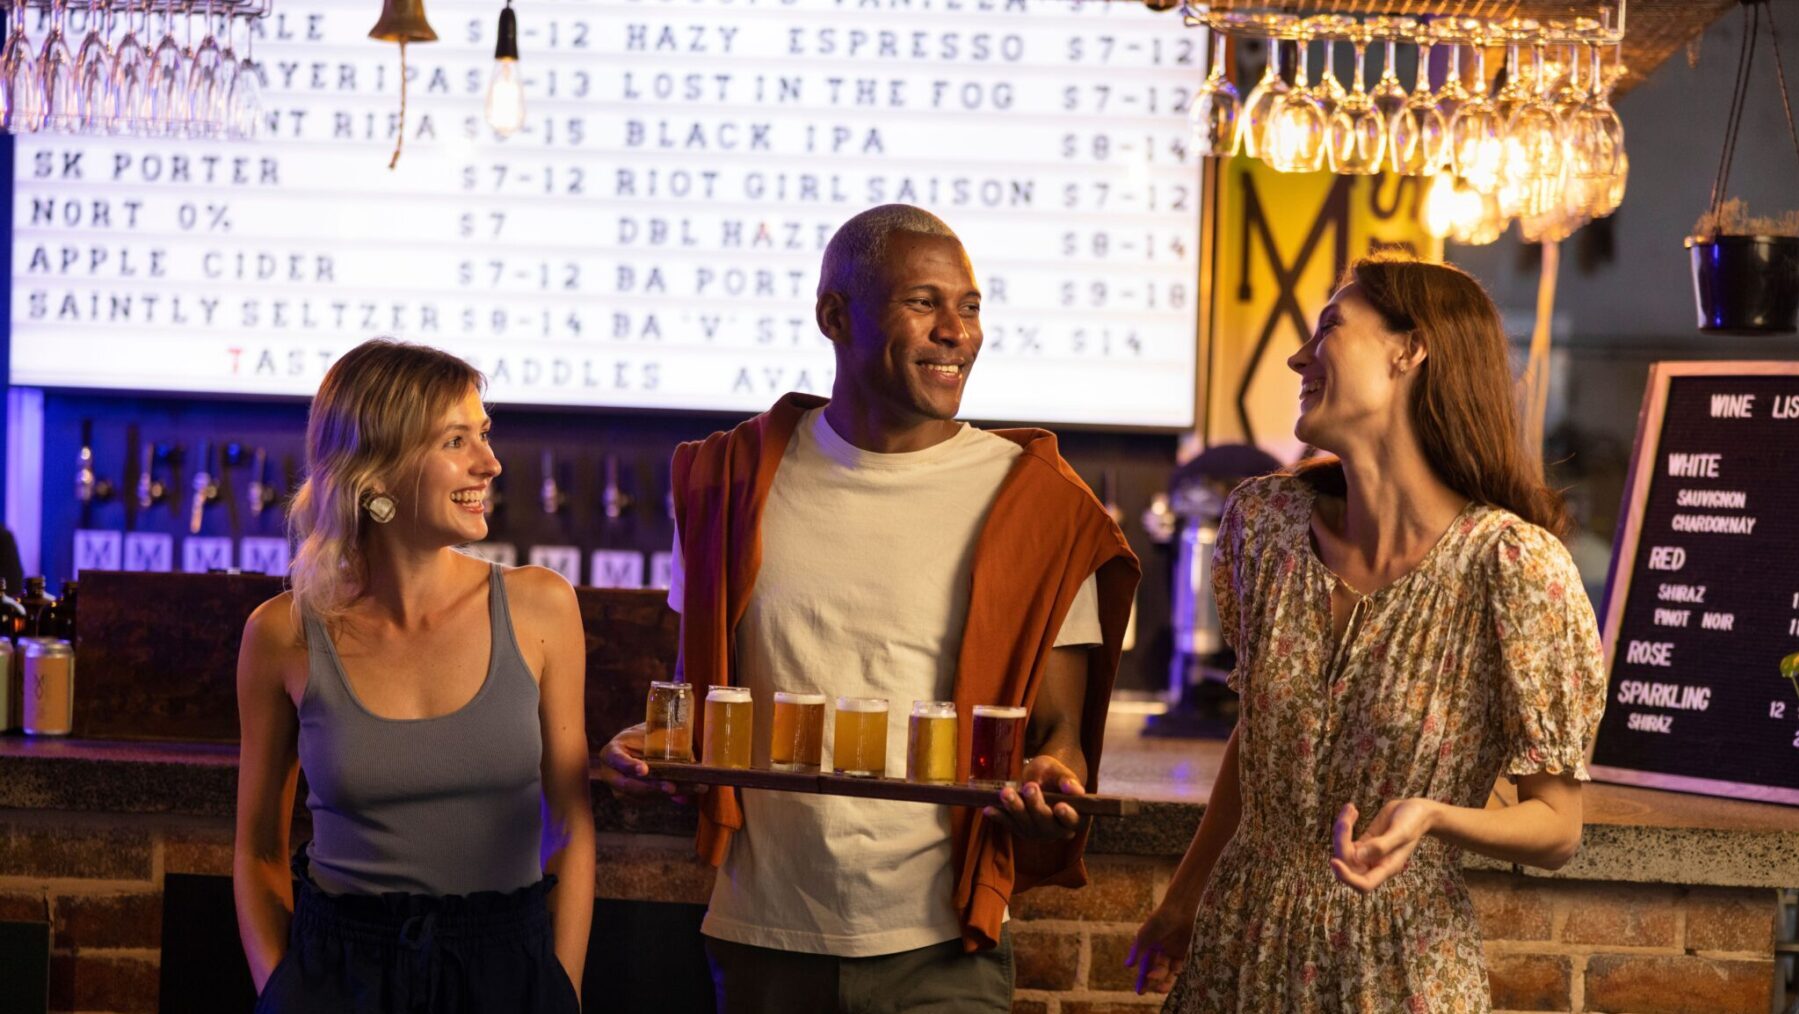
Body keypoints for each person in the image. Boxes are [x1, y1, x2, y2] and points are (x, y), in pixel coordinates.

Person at [599, 204, 1140, 1013]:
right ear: (833, 316)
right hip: (764, 932)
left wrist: (1051, 781)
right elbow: (706, 696)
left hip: (943, 940)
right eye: (924, 302)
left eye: (971, 306)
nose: (957, 330)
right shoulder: (726, 483)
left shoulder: (1038, 505)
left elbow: (1055, 733)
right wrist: (656, 749)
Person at [1127, 257, 1607, 1012]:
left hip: (1400, 965)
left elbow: (1558, 827)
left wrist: (1435, 817)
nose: (1297, 355)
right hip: (1241, 940)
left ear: (1409, 350)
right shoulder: (1265, 526)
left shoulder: (1513, 566)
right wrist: (1185, 900)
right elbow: (1258, 739)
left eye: (1328, 328)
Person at [233, 340, 593, 1013]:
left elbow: (571, 824)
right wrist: (283, 993)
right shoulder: (281, 634)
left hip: (506, 972)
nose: (491, 463)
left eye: (484, 434)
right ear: (377, 472)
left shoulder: (544, 606)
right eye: (457, 441)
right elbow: (258, 849)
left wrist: (559, 990)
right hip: (339, 973)